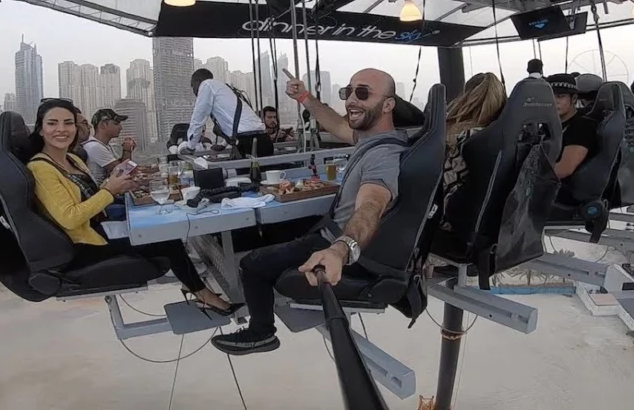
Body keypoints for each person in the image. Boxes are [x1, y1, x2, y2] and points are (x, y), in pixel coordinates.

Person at [211, 68, 405, 356]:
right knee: (273, 231)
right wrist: (304, 97)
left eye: (362, 93)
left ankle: (261, 333)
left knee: (252, 264)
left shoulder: (383, 155)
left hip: (335, 241)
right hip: (330, 229)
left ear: (388, 104)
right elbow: (337, 125)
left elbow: (371, 206)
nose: (351, 99)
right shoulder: (370, 138)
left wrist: (340, 250)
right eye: (348, 92)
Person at [26, 99, 237, 315]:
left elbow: (94, 194)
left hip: (97, 227)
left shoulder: (72, 159)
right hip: (85, 243)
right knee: (164, 237)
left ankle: (193, 286)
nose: (61, 129)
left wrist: (116, 185)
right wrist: (110, 191)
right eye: (52, 123)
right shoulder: (41, 168)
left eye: (68, 123)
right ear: (40, 129)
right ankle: (203, 294)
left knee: (162, 231)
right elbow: (69, 218)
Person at [442, 73, 507, 212]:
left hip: (452, 217)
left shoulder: (456, 136)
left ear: (465, 96)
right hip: (499, 215)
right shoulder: (510, 136)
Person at [183, 69, 270, 159]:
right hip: (262, 139)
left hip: (248, 142)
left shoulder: (206, 85)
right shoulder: (223, 89)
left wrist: (190, 147)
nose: (193, 91)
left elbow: (198, 118)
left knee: (244, 168)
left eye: (192, 86)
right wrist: (223, 145)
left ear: (198, 81)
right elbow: (235, 123)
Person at [549, 73, 598, 180]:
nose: (554, 101)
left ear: (574, 98)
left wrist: (532, 177)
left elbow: (564, 170)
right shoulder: (549, 126)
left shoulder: (582, 126)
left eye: (560, 96)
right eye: (550, 96)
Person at [82, 109, 135, 185]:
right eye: (116, 124)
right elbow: (123, 172)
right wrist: (127, 150)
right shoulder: (95, 147)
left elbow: (120, 166)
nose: (120, 127)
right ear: (103, 125)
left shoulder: (105, 146)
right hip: (99, 191)